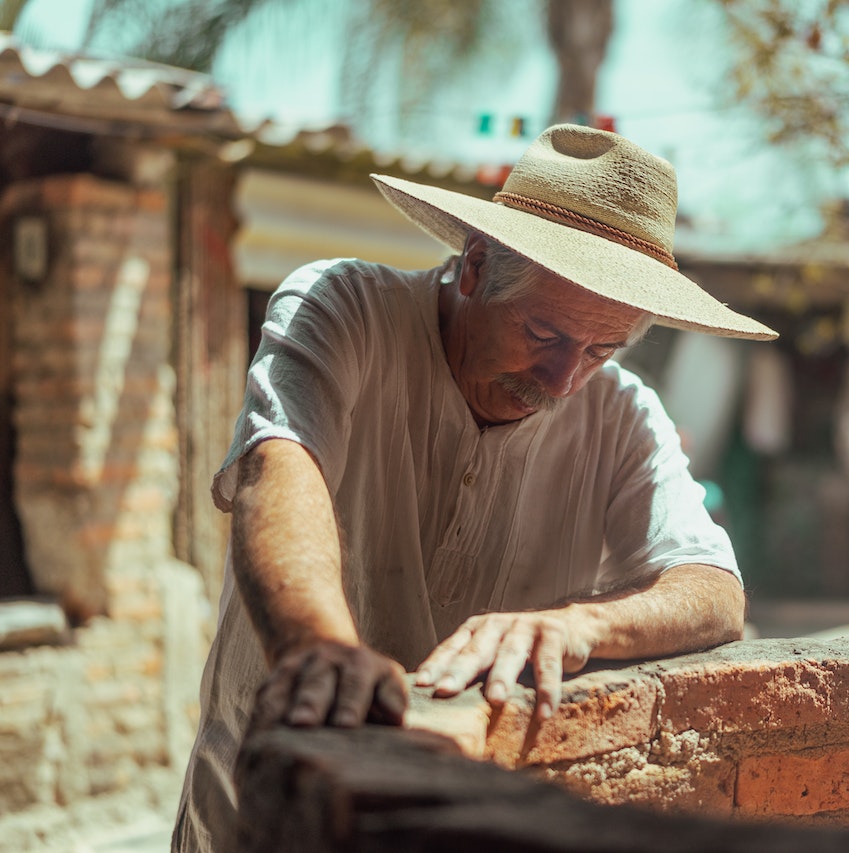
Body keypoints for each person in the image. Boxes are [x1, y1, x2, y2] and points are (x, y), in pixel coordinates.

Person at [171, 124, 777, 852]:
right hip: (262, 817)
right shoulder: (342, 309)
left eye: (599, 349)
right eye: (544, 333)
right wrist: (321, 650)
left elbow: (714, 589)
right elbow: (281, 466)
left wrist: (578, 625)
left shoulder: (621, 412)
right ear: (476, 265)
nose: (564, 379)